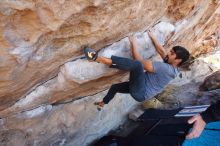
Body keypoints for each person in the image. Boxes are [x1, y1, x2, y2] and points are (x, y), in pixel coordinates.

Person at [84, 30, 190, 110]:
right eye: (170, 51)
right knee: (115, 87)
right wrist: (152, 36)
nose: (168, 53)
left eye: (172, 53)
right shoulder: (173, 69)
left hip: (141, 91)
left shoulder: (165, 69)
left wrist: (133, 43)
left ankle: (96, 58)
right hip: (141, 92)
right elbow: (162, 51)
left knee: (137, 65)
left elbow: (138, 61)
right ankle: (102, 104)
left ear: (178, 60)